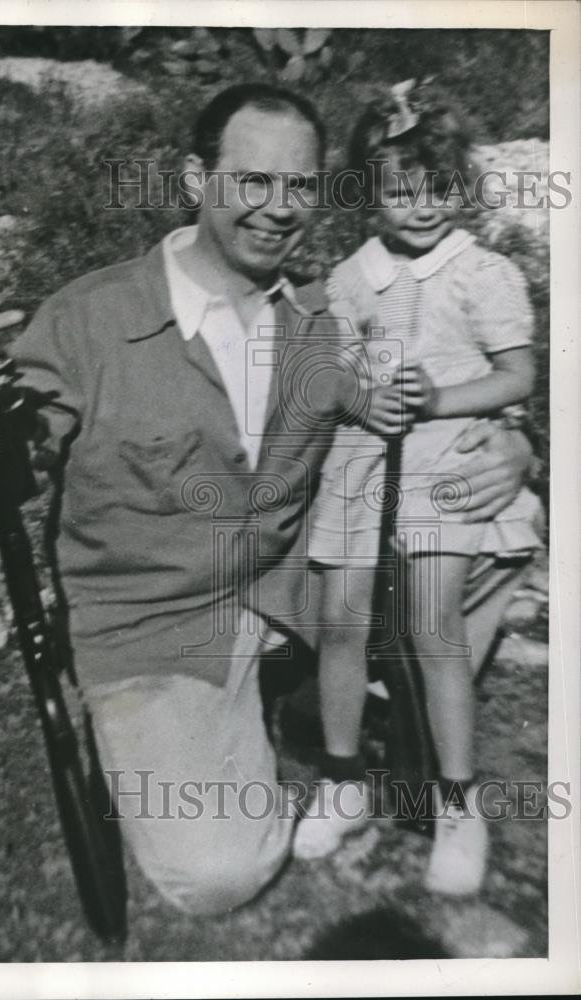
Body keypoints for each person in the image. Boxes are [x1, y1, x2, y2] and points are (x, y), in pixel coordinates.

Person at [0, 83, 535, 916]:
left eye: (301, 186)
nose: (279, 209)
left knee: (488, 545)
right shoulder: (88, 320)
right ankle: (175, 731)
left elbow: (428, 393)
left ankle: (334, 720)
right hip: (156, 625)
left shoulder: (322, 317)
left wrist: (514, 444)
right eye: (252, 181)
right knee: (217, 877)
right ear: (193, 179)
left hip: (290, 596)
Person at [294, 81, 544, 897]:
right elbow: (331, 367)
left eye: (437, 188)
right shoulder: (350, 278)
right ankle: (342, 778)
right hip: (363, 457)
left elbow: (517, 372)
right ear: (370, 195)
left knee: (435, 627)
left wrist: (436, 399)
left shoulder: (483, 272)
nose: (422, 206)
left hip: (447, 458)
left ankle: (456, 803)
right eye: (400, 192)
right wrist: (361, 393)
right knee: (339, 617)